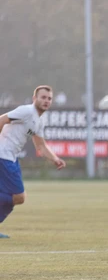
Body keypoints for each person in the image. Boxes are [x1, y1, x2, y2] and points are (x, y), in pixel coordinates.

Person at [0, 86, 66, 238]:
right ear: (34, 98)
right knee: (19, 196)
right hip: (3, 156)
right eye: (43, 97)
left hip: (11, 158)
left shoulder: (37, 121)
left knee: (17, 198)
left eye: (49, 98)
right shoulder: (27, 111)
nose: (46, 101)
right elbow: (2, 120)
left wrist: (55, 159)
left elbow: (40, 145)